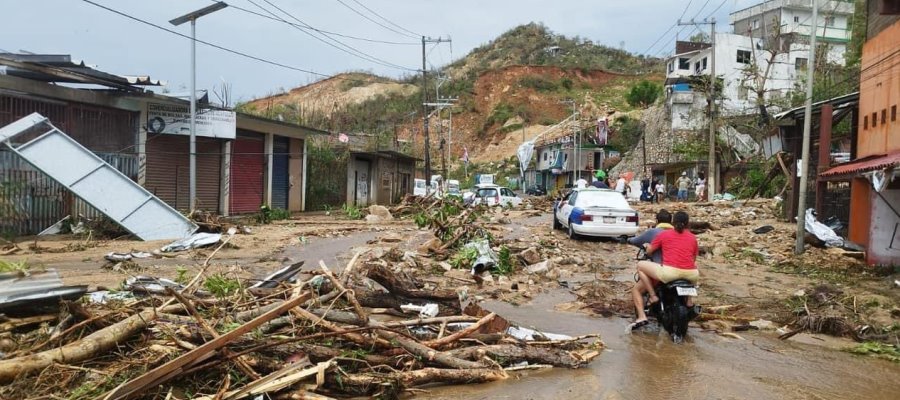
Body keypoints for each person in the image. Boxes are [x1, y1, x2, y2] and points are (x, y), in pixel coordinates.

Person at [630, 211, 699, 328]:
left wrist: (647, 247)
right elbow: (693, 258)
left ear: (673, 222)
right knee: (692, 269)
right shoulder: (692, 237)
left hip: (669, 273)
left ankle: (650, 300)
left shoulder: (663, 234)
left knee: (640, 265)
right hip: (692, 275)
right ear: (688, 224)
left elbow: (649, 251)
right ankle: (689, 301)